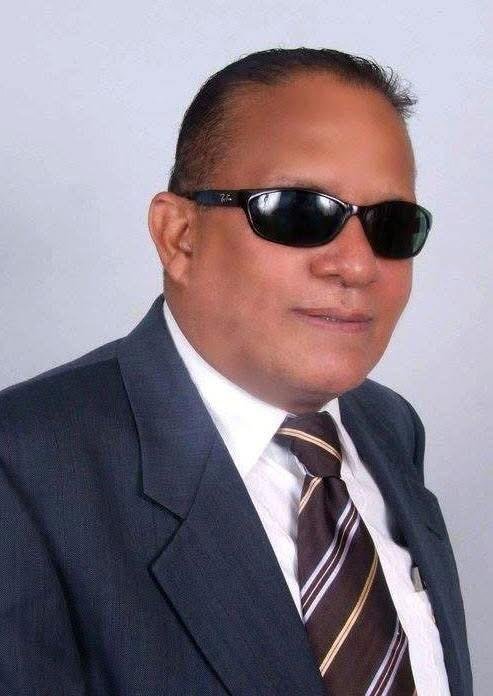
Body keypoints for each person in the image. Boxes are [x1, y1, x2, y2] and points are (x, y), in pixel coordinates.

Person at [0, 47, 472, 696]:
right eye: (299, 212)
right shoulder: (23, 471)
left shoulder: (388, 426)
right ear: (179, 236)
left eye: (391, 226)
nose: (357, 266)